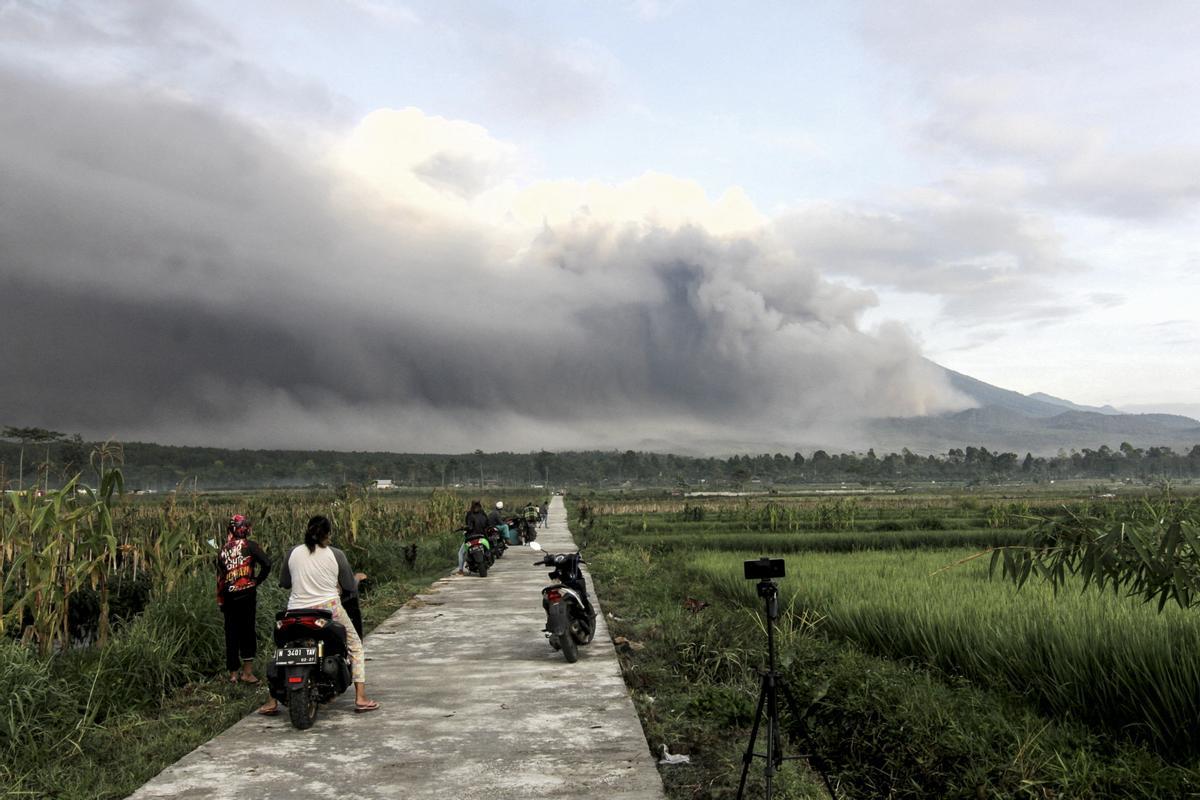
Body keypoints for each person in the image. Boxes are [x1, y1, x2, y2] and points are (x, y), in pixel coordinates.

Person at [257, 516, 378, 715]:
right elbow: (348, 587)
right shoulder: (336, 554)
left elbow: (285, 583)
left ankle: (271, 702)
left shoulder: (292, 553)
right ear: (328, 534)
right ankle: (361, 698)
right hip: (327, 610)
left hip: (295, 611)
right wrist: (355, 580)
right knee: (355, 645)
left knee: (282, 649)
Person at [216, 514, 271, 684]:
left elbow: (220, 578)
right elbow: (267, 564)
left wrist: (220, 600)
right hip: (246, 595)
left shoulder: (223, 550)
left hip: (228, 597)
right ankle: (247, 673)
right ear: (245, 529)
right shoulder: (251, 546)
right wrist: (256, 581)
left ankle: (233, 674)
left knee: (231, 634)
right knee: (247, 632)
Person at [458, 500, 490, 575]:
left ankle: (460, 570)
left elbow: (469, 527)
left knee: (461, 553)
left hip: (471, 537)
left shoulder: (469, 514)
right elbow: (488, 524)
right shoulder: (483, 513)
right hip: (482, 536)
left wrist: (464, 528)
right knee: (488, 548)